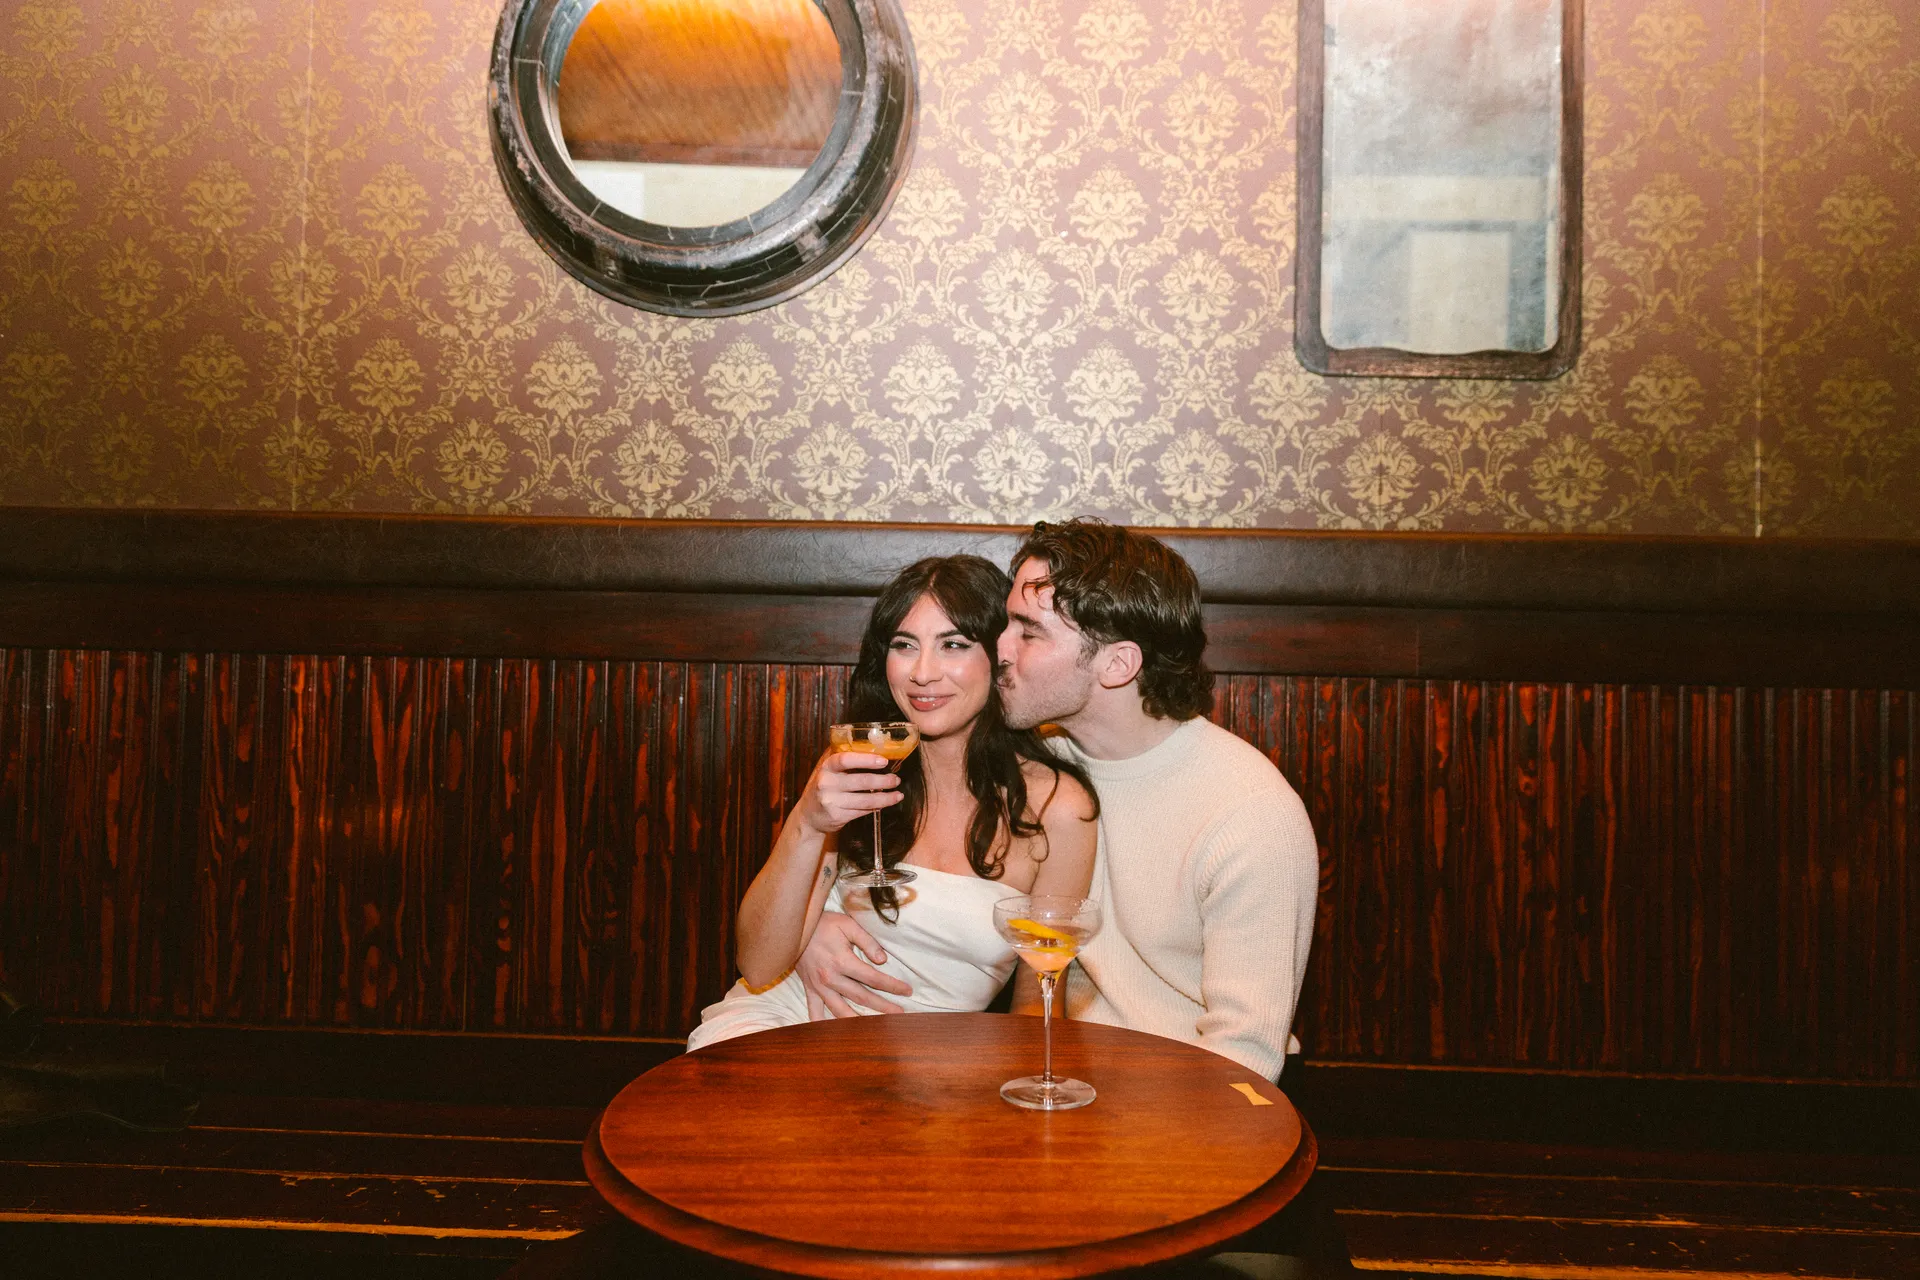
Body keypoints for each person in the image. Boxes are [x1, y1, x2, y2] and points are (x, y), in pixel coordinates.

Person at [797, 520, 1319, 1080]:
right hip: (1052, 1069)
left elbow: (1245, 1058)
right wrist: (807, 933)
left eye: (1028, 632)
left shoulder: (1250, 815)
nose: (998, 647)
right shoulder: (1039, 758)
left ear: (1117, 665)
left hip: (1172, 1093)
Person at [685, 555, 1096, 1050]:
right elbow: (758, 964)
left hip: (933, 1059)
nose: (922, 673)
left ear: (999, 655)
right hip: (785, 1018)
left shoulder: (1057, 808)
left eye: (953, 645)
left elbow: (1037, 1000)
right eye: (905, 645)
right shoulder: (857, 763)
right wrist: (808, 825)